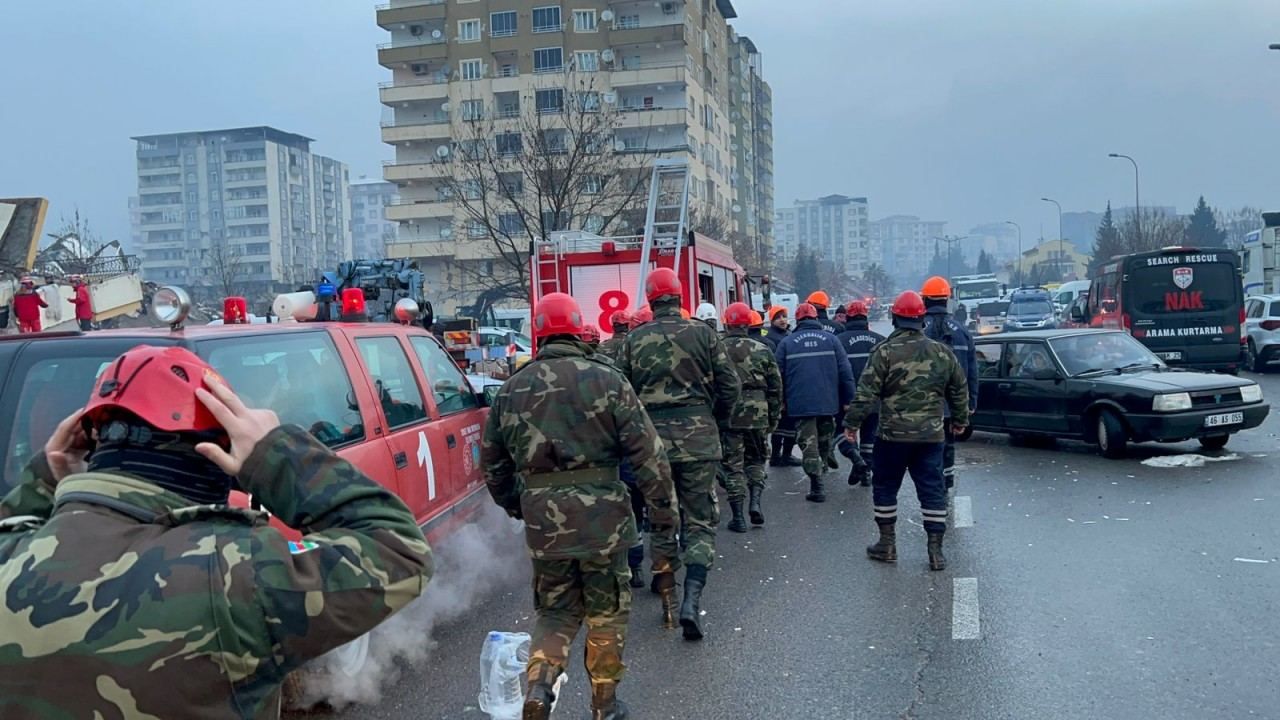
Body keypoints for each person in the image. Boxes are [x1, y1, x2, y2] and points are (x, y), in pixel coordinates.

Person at [0, 346, 432, 717]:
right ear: (214, 454)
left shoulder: (10, 554)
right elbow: (400, 549)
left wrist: (41, 484)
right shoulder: (237, 573)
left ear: (89, 444)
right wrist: (276, 454)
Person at [483, 293, 679, 720]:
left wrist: (522, 507)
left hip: (543, 522)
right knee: (606, 610)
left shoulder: (512, 389)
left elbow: (493, 466)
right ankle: (604, 704)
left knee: (555, 611)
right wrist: (664, 519)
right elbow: (650, 458)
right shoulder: (607, 380)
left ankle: (539, 685)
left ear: (538, 330)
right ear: (577, 328)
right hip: (604, 520)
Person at [615, 268, 740, 641]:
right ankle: (692, 598)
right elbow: (729, 384)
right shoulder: (704, 334)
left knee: (662, 520)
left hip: (652, 446)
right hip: (700, 440)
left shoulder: (634, 340)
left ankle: (667, 601)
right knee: (700, 520)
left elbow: (621, 395)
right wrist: (713, 419)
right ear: (679, 297)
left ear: (651, 300)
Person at [844, 291, 970, 571]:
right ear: (922, 319)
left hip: (892, 436)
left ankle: (886, 544)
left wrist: (852, 424)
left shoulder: (884, 353)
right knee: (932, 489)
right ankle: (935, 551)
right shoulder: (941, 352)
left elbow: (866, 393)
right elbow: (959, 387)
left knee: (886, 486)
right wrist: (960, 419)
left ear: (894, 318)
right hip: (931, 436)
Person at [775, 302, 855, 503]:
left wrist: (780, 401)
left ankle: (816, 485)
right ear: (816, 318)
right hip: (828, 402)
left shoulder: (787, 343)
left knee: (808, 443)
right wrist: (849, 400)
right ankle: (824, 463)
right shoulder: (832, 340)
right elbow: (846, 373)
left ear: (798, 319)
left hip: (801, 404)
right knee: (824, 438)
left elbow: (777, 377)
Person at [719, 302, 782, 531]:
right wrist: (773, 418)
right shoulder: (762, 349)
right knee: (756, 459)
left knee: (733, 465)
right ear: (748, 323)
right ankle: (755, 502)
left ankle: (738, 517)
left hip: (729, 413)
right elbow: (776, 387)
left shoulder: (716, 348)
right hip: (758, 411)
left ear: (726, 323)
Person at [920, 276, 978, 508]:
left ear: (924, 300)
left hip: (923, 406)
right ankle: (946, 485)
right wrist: (970, 403)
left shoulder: (917, 329)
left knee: (926, 450)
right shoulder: (962, 332)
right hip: (953, 404)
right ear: (948, 299)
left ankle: (933, 489)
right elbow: (972, 372)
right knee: (948, 445)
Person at [835, 300, 885, 486]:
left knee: (841, 432)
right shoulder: (880, 340)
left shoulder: (838, 341)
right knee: (870, 435)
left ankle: (857, 460)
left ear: (847, 317)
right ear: (866, 316)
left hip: (846, 399)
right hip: (875, 399)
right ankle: (866, 473)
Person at [763, 306, 800, 467]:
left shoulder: (789, 336)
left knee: (788, 424)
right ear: (772, 320)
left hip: (789, 387)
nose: (783, 320)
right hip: (783, 386)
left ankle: (785, 454)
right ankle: (779, 455)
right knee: (783, 424)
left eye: (784, 316)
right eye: (778, 317)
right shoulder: (773, 339)